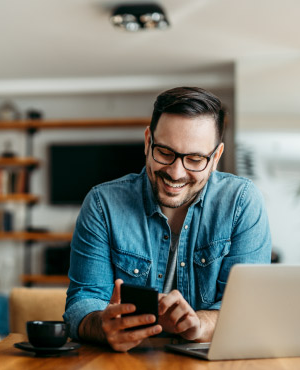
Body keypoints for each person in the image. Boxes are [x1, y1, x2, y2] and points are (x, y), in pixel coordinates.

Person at [63, 87, 271, 352]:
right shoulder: (102, 204)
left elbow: (248, 309)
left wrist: (199, 324)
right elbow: (82, 303)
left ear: (216, 157)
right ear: (148, 141)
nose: (175, 172)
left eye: (195, 159)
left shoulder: (242, 202)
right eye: (164, 152)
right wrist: (102, 325)